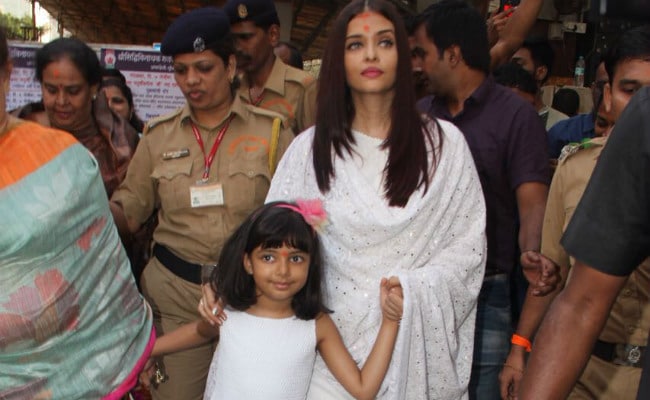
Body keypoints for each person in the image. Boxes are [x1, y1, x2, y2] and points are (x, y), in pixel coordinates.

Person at [203, 1, 489, 398]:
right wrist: (222, 280)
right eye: (356, 44)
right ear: (339, 59)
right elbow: (271, 237)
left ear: (404, 56)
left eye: (384, 42)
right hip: (322, 359)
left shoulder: (444, 148)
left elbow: (468, 252)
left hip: (408, 350)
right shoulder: (310, 152)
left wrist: (414, 290)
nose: (371, 54)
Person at [109, 8, 294, 400]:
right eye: (181, 70)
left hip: (251, 297)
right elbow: (128, 211)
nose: (191, 80)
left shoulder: (272, 134)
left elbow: (296, 219)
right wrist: (85, 212)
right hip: (175, 298)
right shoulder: (157, 136)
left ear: (229, 66)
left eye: (204, 67)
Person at [0, 26, 154, 399]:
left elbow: (102, 266)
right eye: (51, 90)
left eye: (72, 90)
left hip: (88, 365)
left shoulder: (65, 159)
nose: (61, 101)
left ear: (6, 73)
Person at [500, 25, 650, 400]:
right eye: (631, 91)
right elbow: (556, 280)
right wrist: (519, 348)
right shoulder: (574, 168)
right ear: (606, 97)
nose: (643, 107)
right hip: (582, 373)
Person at [414, 1, 552, 398]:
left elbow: (532, 202)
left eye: (423, 53)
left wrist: (531, 250)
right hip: (423, 292)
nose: (418, 65)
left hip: (487, 293)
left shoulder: (514, 117)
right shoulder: (419, 118)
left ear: (452, 54)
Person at [143, 200, 403, 400]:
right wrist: (145, 352)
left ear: (311, 264)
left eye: (296, 258)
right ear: (247, 262)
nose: (283, 270)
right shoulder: (229, 312)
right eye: (268, 257)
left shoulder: (315, 324)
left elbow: (363, 389)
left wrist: (390, 321)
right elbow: (198, 332)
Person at [223, 0, 317, 135]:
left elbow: (316, 149)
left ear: (273, 35)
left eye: (246, 37)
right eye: (232, 40)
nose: (237, 47)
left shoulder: (303, 88)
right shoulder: (231, 88)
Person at [546, 60, 611, 159]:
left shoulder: (637, 137)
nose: (608, 92)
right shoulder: (562, 132)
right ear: (592, 89)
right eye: (602, 86)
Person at [511, 38, 569, 130]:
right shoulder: (499, 116)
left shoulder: (561, 124)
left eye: (518, 65)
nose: (510, 70)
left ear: (541, 72)